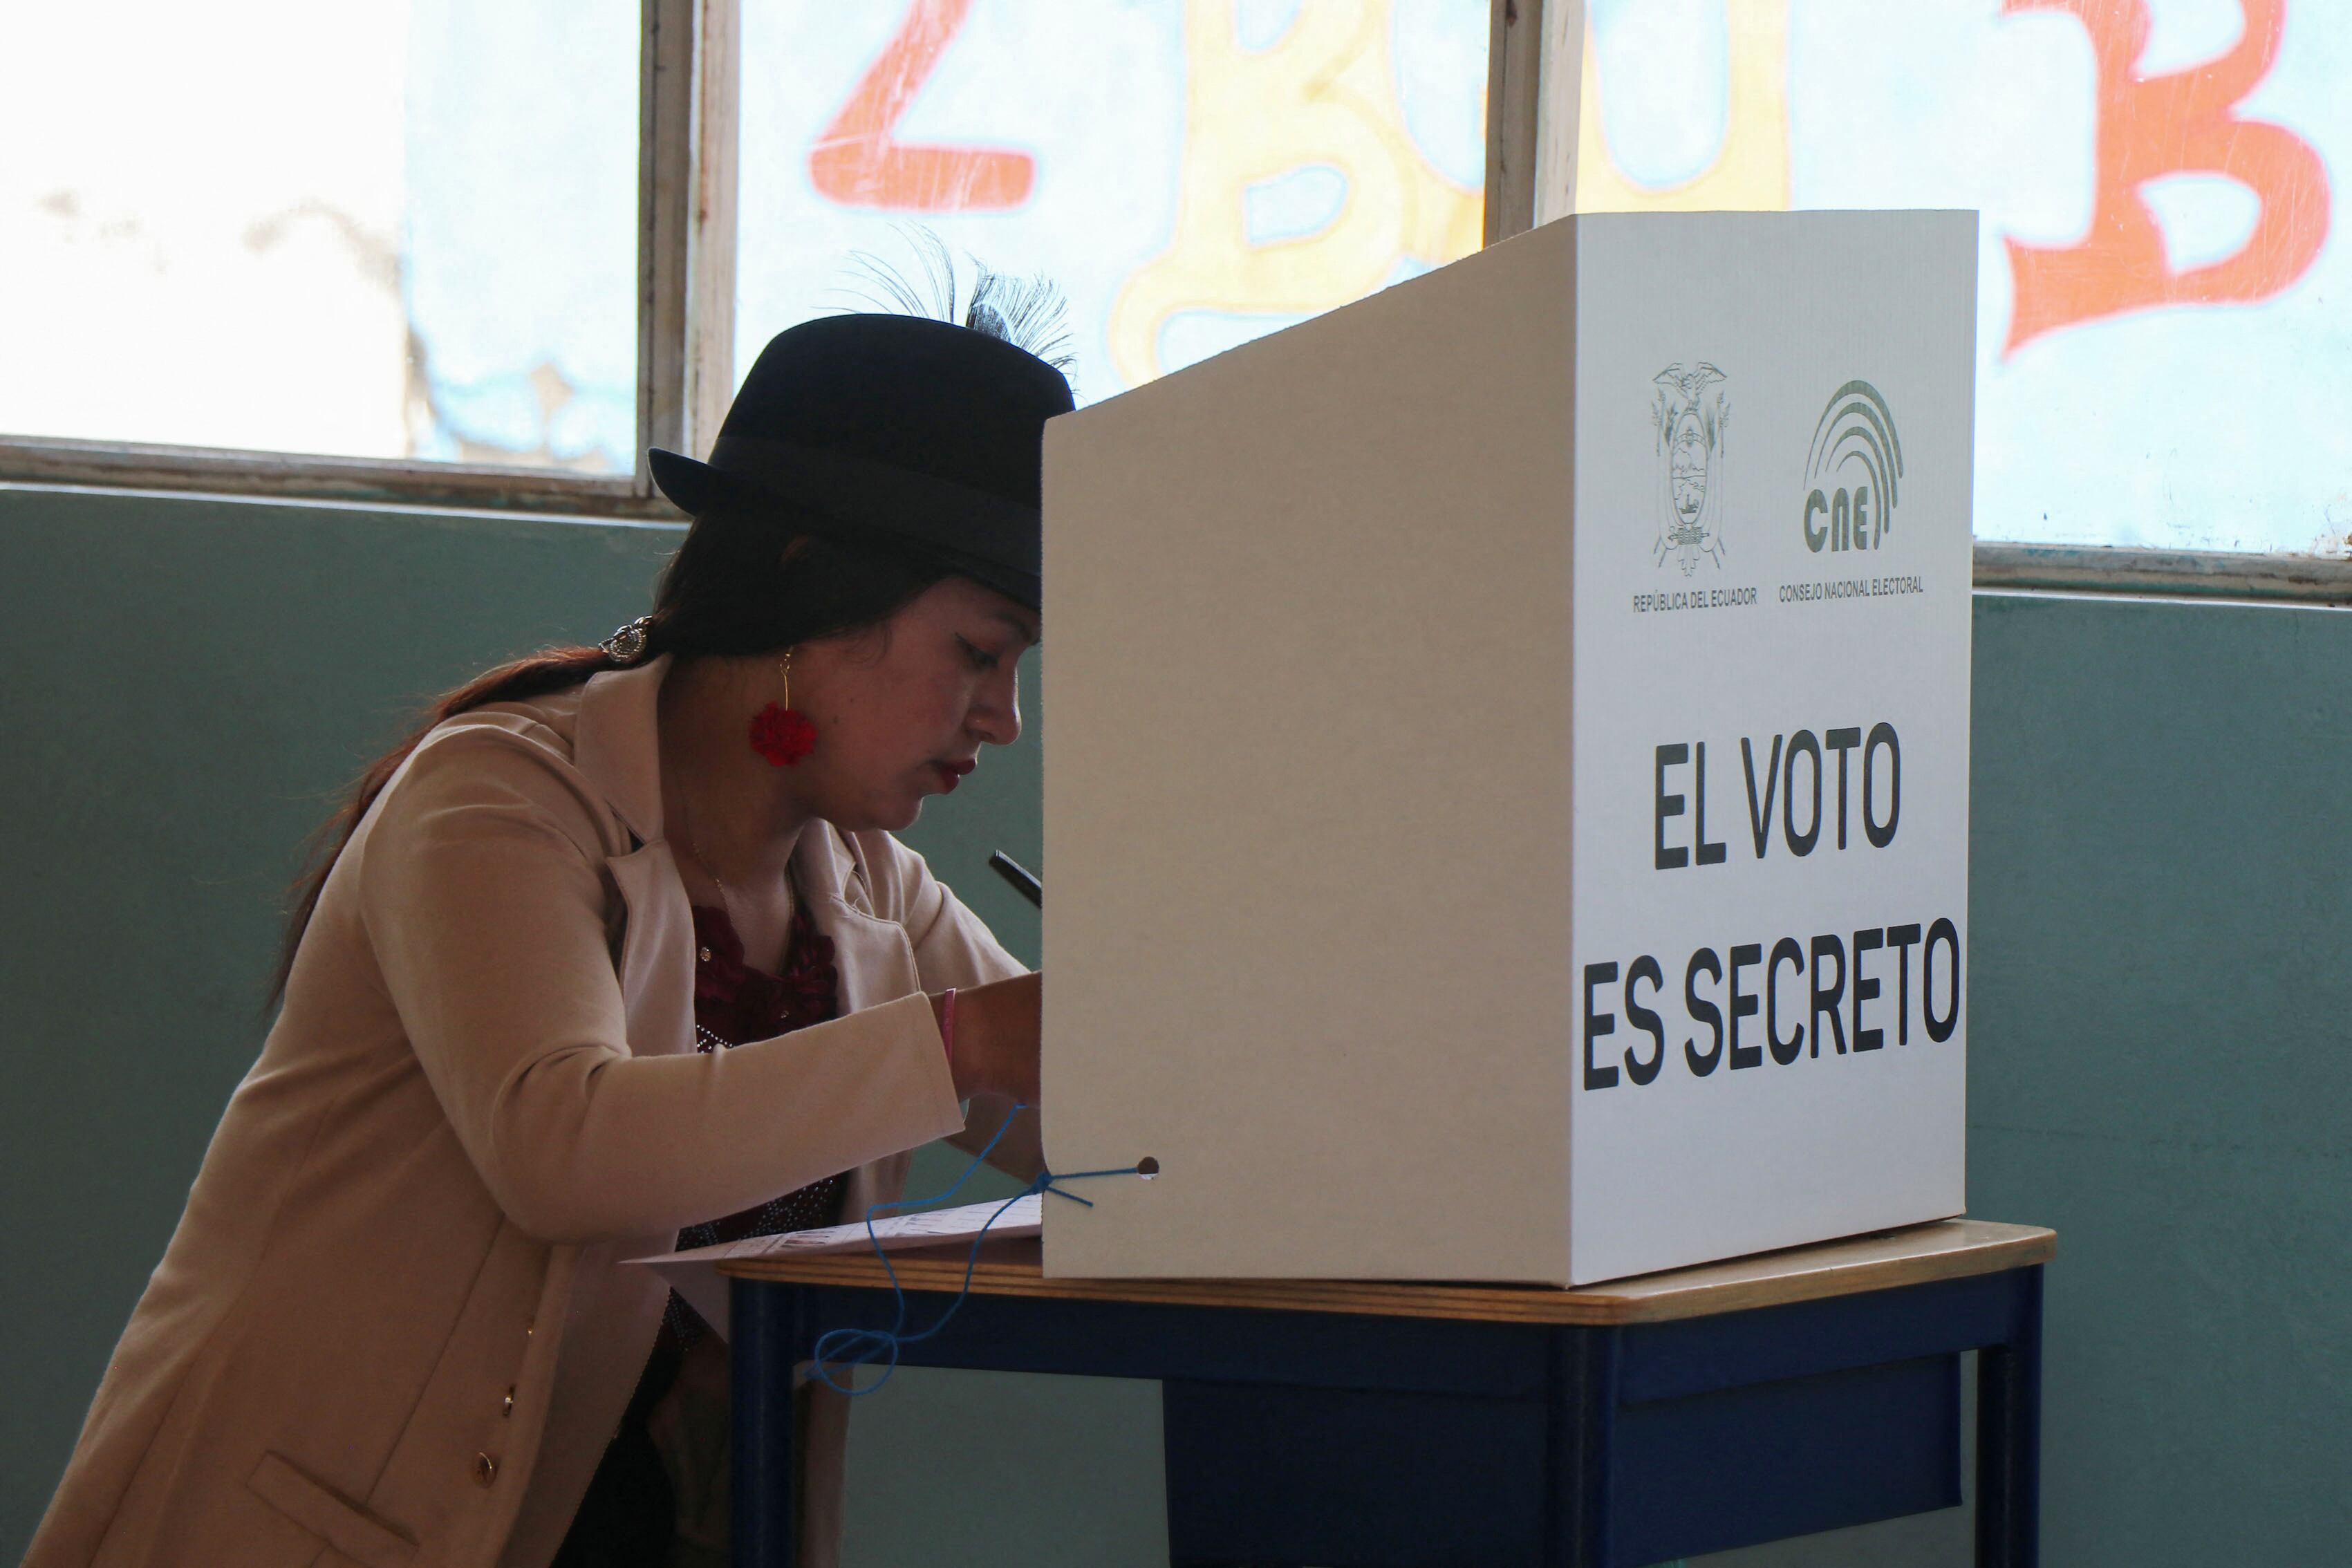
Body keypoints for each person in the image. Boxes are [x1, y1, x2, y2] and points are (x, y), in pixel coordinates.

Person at [26, 303, 1073, 1568]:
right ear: (808, 580)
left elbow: (1094, 1129)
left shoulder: (866, 886)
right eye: (978, 651)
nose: (1001, 718)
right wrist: (967, 1041)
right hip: (317, 1524)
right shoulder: (496, 795)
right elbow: (563, 1148)